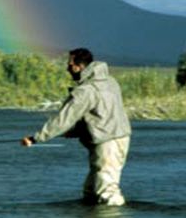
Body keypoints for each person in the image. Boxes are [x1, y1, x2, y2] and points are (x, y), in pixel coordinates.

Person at [22, 48, 132, 206]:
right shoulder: (110, 81)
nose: (67, 68)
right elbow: (101, 114)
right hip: (119, 137)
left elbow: (63, 119)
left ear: (80, 66)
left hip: (107, 142)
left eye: (70, 64)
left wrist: (35, 139)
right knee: (91, 190)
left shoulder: (86, 90)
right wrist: (77, 131)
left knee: (107, 191)